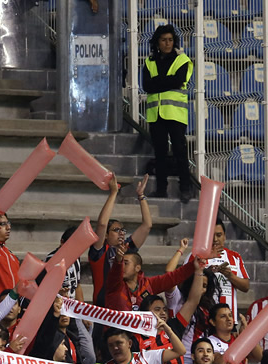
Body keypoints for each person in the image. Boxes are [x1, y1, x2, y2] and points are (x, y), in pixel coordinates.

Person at [143, 24, 193, 203]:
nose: (167, 43)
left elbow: (178, 81)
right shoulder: (149, 61)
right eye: (164, 40)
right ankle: (161, 189)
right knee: (160, 153)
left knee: (180, 150)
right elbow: (146, 86)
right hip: (156, 114)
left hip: (175, 113)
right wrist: (166, 82)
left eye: (170, 40)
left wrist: (159, 82)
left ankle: (185, 188)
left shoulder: (182, 60)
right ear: (157, 42)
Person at [105, 246, 199, 313]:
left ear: (137, 268)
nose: (122, 266)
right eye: (121, 263)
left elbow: (174, 277)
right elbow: (115, 273)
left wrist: (195, 264)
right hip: (118, 337)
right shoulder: (114, 285)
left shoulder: (148, 284)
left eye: (126, 263)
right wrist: (118, 261)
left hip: (142, 337)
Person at [206, 221, 251, 313]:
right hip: (205, 317)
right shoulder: (197, 255)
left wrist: (230, 275)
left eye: (219, 235)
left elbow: (246, 287)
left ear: (224, 236)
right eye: (211, 235)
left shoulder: (235, 257)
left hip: (229, 317)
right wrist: (207, 273)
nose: (215, 239)